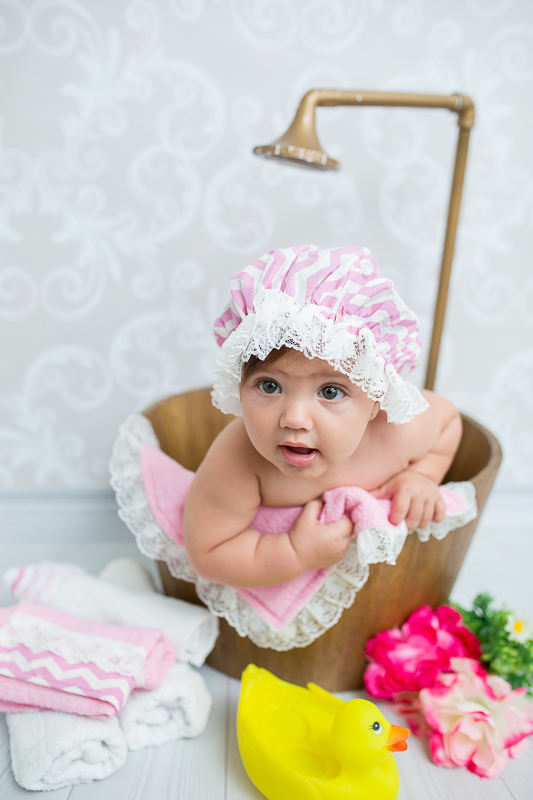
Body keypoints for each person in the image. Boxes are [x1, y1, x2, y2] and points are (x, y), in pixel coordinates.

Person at [183, 245, 462, 589]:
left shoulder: (398, 430)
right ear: (238, 384)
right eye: (269, 386)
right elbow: (208, 551)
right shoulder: (239, 461)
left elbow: (449, 421)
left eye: (330, 392)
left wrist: (423, 475)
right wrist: (294, 551)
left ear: (376, 398)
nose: (295, 419)